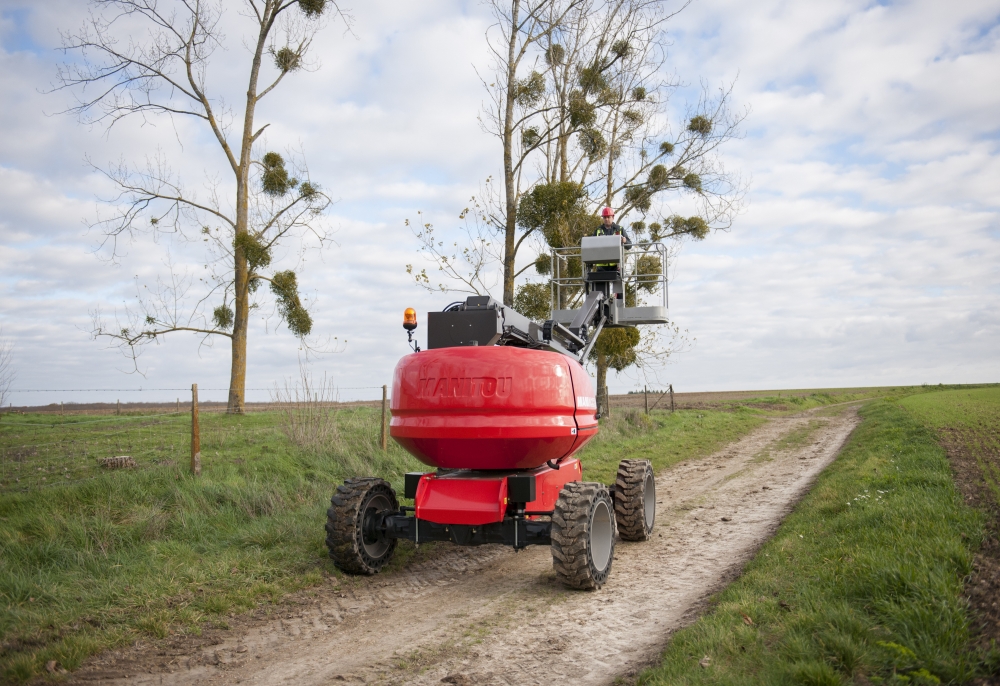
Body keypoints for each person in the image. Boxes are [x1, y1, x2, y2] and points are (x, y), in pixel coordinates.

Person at [592, 207, 632, 273]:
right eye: (604, 217)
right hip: (601, 267)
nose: (606, 219)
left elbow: (629, 245)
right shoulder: (598, 230)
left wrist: (625, 241)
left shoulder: (620, 229)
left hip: (616, 266)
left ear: (613, 217)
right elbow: (591, 245)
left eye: (608, 217)